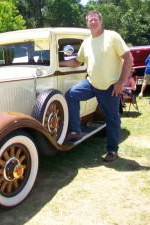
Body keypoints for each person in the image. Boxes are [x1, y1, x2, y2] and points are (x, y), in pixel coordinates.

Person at [59, 10, 133, 162]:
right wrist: (56, 62)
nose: (93, 22)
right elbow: (77, 62)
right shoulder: (86, 42)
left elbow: (129, 58)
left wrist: (121, 83)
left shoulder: (112, 37)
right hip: (92, 83)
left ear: (101, 21)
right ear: (87, 23)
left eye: (95, 19)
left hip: (110, 86)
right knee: (71, 95)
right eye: (90, 20)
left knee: (112, 119)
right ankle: (76, 130)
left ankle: (113, 150)